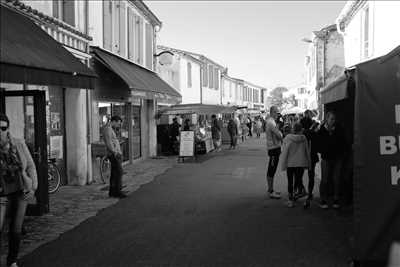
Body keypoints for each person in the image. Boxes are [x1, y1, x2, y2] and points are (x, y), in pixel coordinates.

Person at [0, 113, 37, 267]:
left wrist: (33, 187)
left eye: (3, 127)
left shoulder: (18, 143)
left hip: (21, 191)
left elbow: (30, 166)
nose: (0, 131)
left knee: (16, 228)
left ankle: (12, 260)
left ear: (7, 127)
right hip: (2, 194)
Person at [316, 111, 347, 209]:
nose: (333, 121)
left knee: (336, 179)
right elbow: (319, 143)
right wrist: (324, 150)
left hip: (337, 158)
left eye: (334, 119)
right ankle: (323, 199)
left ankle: (336, 198)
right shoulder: (321, 130)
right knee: (325, 179)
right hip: (326, 158)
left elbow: (343, 141)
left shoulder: (339, 129)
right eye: (331, 119)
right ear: (327, 119)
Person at [279, 122, 311, 207]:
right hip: (300, 163)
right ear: (301, 130)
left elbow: (284, 152)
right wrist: (309, 163)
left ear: (293, 129)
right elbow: (307, 151)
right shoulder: (304, 138)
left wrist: (283, 164)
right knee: (298, 180)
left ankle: (290, 199)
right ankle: (298, 194)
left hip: (290, 163)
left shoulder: (287, 138)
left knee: (290, 181)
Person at [103, 115, 126, 198]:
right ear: (114, 121)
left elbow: (112, 141)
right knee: (119, 173)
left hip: (114, 153)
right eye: (118, 123)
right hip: (114, 154)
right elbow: (109, 142)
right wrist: (115, 152)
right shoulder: (107, 129)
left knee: (115, 173)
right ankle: (117, 191)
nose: (118, 125)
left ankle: (112, 191)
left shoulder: (109, 129)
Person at [300, 110, 320, 208]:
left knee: (299, 173)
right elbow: (317, 140)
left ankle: (301, 190)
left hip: (302, 154)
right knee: (310, 174)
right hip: (311, 154)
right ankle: (309, 193)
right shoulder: (313, 127)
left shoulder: (302, 129)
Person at [265, 106, 283, 199]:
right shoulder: (271, 122)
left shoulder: (271, 121)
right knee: (271, 169)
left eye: (278, 112)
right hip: (274, 148)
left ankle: (271, 189)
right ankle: (271, 191)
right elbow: (279, 135)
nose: (277, 114)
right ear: (272, 112)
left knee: (272, 169)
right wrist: (281, 132)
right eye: (276, 112)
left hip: (274, 148)